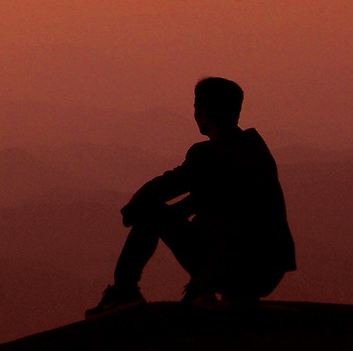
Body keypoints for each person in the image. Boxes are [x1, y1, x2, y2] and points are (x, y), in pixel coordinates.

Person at [85, 77, 295, 318]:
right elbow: (207, 200)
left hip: (232, 271)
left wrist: (134, 208)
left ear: (202, 113)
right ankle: (200, 290)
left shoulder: (207, 154)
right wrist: (166, 218)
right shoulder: (255, 148)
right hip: (267, 271)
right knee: (210, 219)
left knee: (151, 211)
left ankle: (124, 291)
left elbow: (166, 186)